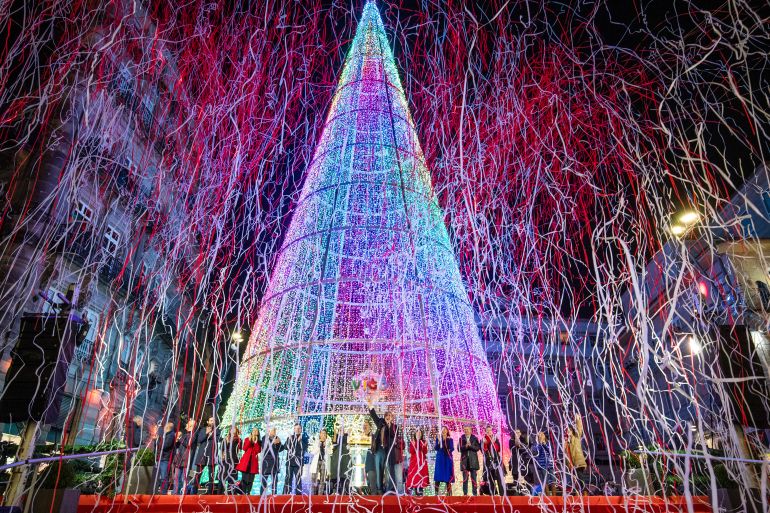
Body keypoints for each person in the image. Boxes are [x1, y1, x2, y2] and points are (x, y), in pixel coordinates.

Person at [369, 406, 400, 494]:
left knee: (390, 469)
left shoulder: (395, 427)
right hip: (380, 449)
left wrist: (389, 426)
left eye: (390, 415)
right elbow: (374, 415)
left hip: (389, 450)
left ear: (392, 418)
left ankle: (390, 489)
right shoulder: (380, 423)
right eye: (387, 415)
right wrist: (370, 406)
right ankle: (380, 489)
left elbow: (394, 436)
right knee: (379, 469)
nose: (388, 416)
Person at [565, 414, 589, 494]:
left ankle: (585, 493)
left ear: (572, 431)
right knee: (575, 481)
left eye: (569, 430)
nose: (568, 431)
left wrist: (578, 419)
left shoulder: (576, 437)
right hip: (571, 465)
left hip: (578, 462)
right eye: (566, 430)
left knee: (580, 479)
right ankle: (578, 494)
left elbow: (579, 428)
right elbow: (566, 455)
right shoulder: (566, 442)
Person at [193, 417, 216, 494]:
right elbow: (199, 440)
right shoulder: (203, 429)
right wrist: (206, 433)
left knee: (211, 475)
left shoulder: (217, 430)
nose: (212, 422)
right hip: (202, 455)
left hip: (211, 455)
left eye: (213, 421)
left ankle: (210, 493)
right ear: (207, 421)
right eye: (211, 420)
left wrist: (212, 434)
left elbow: (218, 440)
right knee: (198, 474)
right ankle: (194, 491)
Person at [283, 423, 309, 495]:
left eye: (299, 428)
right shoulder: (290, 437)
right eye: (296, 428)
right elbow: (285, 447)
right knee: (288, 478)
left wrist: (299, 441)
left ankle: (298, 494)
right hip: (290, 462)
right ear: (294, 429)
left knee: (298, 479)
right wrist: (290, 441)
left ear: (301, 430)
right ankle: (286, 493)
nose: (297, 430)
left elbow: (304, 448)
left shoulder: (304, 438)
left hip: (298, 463)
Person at [174, 419, 196, 494]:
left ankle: (184, 493)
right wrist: (176, 441)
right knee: (176, 478)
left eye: (188, 423)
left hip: (187, 461)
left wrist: (180, 438)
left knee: (185, 479)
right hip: (179, 460)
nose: (186, 424)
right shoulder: (184, 434)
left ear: (191, 426)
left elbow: (187, 444)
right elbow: (179, 446)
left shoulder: (194, 435)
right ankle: (175, 493)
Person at [236, 428, 261, 494]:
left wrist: (256, 442)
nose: (255, 432)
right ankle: (243, 492)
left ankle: (248, 493)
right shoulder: (247, 439)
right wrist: (250, 440)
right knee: (244, 479)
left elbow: (258, 451)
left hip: (253, 463)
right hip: (245, 462)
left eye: (256, 431)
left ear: (258, 433)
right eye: (253, 430)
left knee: (251, 480)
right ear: (251, 432)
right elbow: (244, 448)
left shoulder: (259, 441)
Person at [156, 421, 178, 494]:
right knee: (158, 476)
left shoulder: (171, 435)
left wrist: (158, 439)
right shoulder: (166, 435)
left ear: (168, 427)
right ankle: (158, 491)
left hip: (165, 459)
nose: (164, 428)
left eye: (165, 426)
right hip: (161, 457)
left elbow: (165, 446)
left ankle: (163, 492)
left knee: (164, 477)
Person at [260, 427, 284, 494]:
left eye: (275, 431)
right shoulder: (265, 438)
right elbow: (266, 448)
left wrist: (278, 443)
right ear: (269, 431)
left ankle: (274, 495)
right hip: (266, 463)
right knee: (264, 481)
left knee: (275, 481)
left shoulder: (277, 438)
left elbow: (281, 448)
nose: (274, 432)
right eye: (273, 431)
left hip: (275, 463)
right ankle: (262, 495)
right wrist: (274, 443)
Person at [405, 428, 429, 496]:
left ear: (421, 435)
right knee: (415, 477)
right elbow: (412, 451)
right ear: (415, 434)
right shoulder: (413, 442)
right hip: (414, 463)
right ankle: (414, 491)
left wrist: (424, 445)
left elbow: (425, 451)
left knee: (421, 476)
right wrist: (416, 442)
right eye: (417, 433)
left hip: (421, 462)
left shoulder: (423, 442)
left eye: (420, 433)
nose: (418, 434)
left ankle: (420, 492)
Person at [482, 425, 504, 496]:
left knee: (499, 478)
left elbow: (498, 449)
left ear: (492, 431)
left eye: (490, 430)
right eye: (487, 431)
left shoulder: (495, 438)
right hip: (488, 462)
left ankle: (502, 494)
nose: (489, 432)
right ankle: (493, 494)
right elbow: (483, 451)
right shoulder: (483, 440)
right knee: (490, 478)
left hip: (496, 461)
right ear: (485, 432)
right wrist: (485, 444)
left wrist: (492, 443)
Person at [459, 425, 481, 496]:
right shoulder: (461, 438)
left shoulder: (474, 438)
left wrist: (470, 446)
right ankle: (465, 494)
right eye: (465, 429)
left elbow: (478, 448)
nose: (466, 431)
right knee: (465, 479)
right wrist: (465, 446)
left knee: (474, 479)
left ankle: (475, 494)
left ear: (471, 430)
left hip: (473, 461)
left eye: (467, 429)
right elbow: (459, 448)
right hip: (464, 461)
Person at [309, 429, 332, 494]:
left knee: (322, 479)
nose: (323, 435)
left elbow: (330, 452)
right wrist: (318, 446)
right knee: (314, 478)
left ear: (326, 435)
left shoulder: (328, 442)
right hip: (316, 462)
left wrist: (326, 446)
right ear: (320, 434)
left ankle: (320, 495)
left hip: (324, 462)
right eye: (322, 433)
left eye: (324, 433)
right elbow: (313, 452)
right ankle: (313, 494)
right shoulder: (316, 441)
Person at [219, 426, 241, 494]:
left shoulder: (238, 440)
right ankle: (220, 493)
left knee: (232, 478)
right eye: (232, 429)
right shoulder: (225, 439)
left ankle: (230, 493)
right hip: (225, 460)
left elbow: (237, 449)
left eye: (234, 429)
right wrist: (227, 442)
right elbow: (222, 448)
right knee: (222, 477)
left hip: (233, 461)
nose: (233, 431)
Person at [330, 421, 351, 494]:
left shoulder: (346, 436)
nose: (341, 430)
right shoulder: (336, 436)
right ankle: (336, 489)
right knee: (336, 472)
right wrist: (335, 434)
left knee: (344, 473)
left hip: (345, 458)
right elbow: (334, 444)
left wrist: (349, 434)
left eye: (343, 429)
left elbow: (349, 444)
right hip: (337, 457)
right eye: (340, 429)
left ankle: (345, 489)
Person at [532, 431, 554, 495]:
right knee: (545, 481)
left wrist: (544, 444)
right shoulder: (536, 445)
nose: (541, 436)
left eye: (542, 434)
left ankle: (554, 497)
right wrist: (540, 444)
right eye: (540, 435)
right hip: (542, 465)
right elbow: (536, 452)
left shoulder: (548, 443)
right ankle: (548, 496)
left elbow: (550, 451)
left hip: (550, 465)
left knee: (553, 480)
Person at [433, 427, 454, 495]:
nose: (444, 431)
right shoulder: (438, 438)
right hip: (440, 459)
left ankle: (449, 493)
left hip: (447, 459)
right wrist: (439, 441)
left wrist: (446, 442)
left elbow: (452, 448)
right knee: (438, 475)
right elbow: (436, 448)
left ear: (447, 431)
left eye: (445, 430)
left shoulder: (450, 439)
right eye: (442, 430)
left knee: (447, 476)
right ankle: (436, 493)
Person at [363, 421, 377, 494]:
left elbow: (375, 449)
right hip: (361, 464)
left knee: (372, 484)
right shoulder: (360, 437)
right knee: (362, 485)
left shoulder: (373, 437)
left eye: (366, 425)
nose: (364, 426)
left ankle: (374, 497)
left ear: (370, 427)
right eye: (364, 425)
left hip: (371, 464)